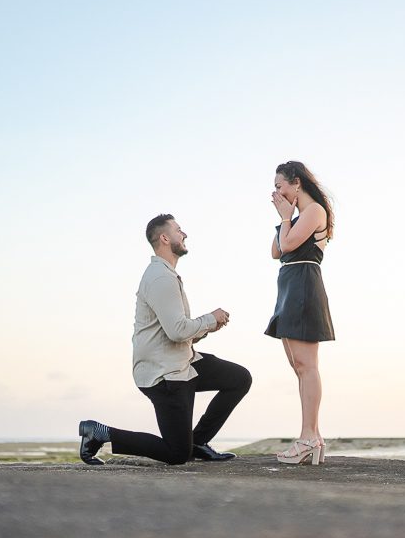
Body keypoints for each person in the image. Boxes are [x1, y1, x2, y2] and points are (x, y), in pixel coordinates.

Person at [78, 214, 252, 466]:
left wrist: (205, 329)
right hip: (164, 374)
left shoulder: (166, 275)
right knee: (177, 454)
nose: (185, 234)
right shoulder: (160, 278)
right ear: (164, 237)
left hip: (183, 363)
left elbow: (176, 332)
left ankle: (199, 441)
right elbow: (177, 331)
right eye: (179, 230)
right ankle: (100, 433)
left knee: (238, 378)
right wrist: (210, 319)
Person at [265, 161, 335, 465]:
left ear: (296, 183)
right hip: (289, 284)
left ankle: (308, 436)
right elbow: (276, 251)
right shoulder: (296, 216)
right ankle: (314, 436)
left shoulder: (315, 211)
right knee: (298, 365)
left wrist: (285, 218)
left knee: (307, 365)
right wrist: (285, 217)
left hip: (304, 284)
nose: (276, 192)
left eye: (280, 185)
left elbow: (289, 242)